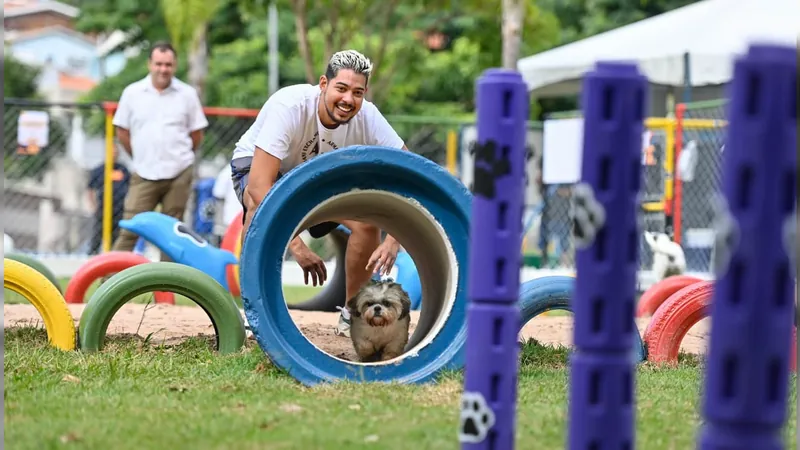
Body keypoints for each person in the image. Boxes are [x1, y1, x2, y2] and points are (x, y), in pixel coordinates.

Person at [229, 49, 407, 338]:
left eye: (358, 92)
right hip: (265, 171)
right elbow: (260, 186)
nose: (349, 99)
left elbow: (409, 175)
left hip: (315, 178)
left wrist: (395, 239)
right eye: (341, 88)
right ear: (323, 84)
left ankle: (352, 313)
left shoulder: (369, 117)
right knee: (254, 207)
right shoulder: (290, 105)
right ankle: (255, 310)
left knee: (366, 223)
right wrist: (296, 246)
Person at [110, 41, 209, 262]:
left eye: (168, 65)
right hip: (144, 171)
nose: (163, 69)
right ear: (150, 64)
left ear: (175, 66)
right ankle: (108, 282)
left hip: (179, 171)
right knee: (130, 227)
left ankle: (168, 290)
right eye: (159, 64)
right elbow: (122, 132)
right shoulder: (132, 93)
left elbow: (196, 134)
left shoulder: (187, 94)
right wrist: (141, 155)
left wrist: (179, 155)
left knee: (173, 232)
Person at [86, 147, 131, 254]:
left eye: (116, 152)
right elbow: (90, 189)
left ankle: (113, 254)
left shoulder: (122, 169)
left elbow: (130, 186)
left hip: (119, 208)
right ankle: (93, 254)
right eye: (112, 152)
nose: (114, 155)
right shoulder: (99, 170)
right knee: (98, 233)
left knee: (116, 234)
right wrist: (93, 205)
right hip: (103, 208)